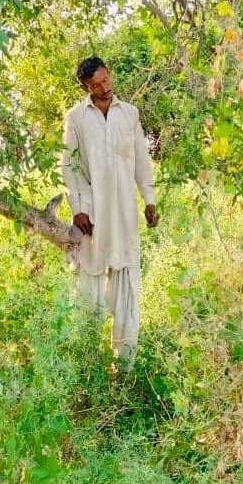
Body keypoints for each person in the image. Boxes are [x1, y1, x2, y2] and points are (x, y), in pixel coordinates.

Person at [60, 56, 159, 371]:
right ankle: (88, 362)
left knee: (126, 280)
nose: (105, 87)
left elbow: (142, 161)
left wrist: (149, 200)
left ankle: (126, 366)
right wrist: (79, 209)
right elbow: (70, 166)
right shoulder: (75, 118)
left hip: (125, 214)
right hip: (92, 216)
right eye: (96, 84)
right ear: (85, 86)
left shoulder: (129, 114)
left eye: (106, 79)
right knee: (90, 280)